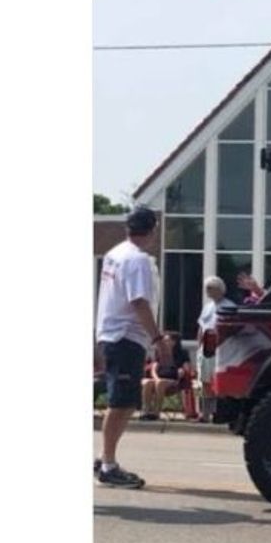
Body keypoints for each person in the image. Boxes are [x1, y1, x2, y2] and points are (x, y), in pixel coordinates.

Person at [94, 205, 170, 488]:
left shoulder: (115, 254)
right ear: (152, 231)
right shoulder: (136, 260)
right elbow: (139, 301)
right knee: (121, 402)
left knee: (124, 400)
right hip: (125, 336)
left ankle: (104, 457)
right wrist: (157, 339)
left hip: (113, 334)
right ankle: (108, 465)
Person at [196, 276, 235, 422]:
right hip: (205, 349)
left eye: (210, 288)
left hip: (220, 349)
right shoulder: (207, 306)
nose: (207, 291)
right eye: (207, 288)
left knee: (217, 381)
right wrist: (199, 345)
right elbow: (201, 327)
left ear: (220, 290)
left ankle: (218, 413)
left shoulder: (229, 306)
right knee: (205, 382)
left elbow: (231, 330)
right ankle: (205, 414)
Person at [139, 332, 191, 421]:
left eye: (167, 340)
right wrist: (156, 378)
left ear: (174, 342)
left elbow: (187, 366)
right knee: (148, 382)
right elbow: (153, 369)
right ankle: (146, 411)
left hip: (173, 380)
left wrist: (183, 370)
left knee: (161, 382)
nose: (164, 342)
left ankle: (156, 412)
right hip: (158, 379)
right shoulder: (160, 353)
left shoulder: (182, 353)